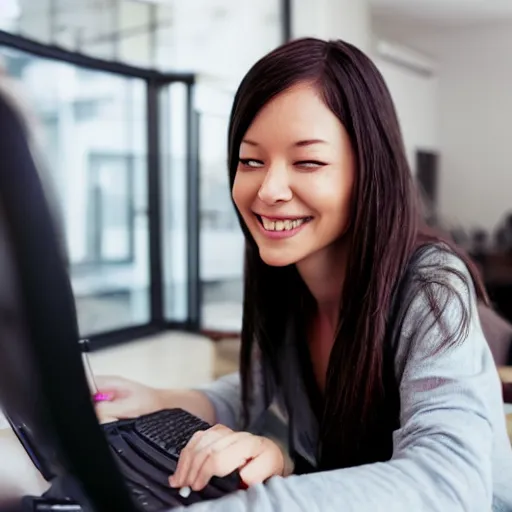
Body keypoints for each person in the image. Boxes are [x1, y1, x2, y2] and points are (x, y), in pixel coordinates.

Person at [96, 38, 512, 511]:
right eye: (251, 160)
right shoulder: (291, 278)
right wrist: (164, 398)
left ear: (368, 171)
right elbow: (257, 388)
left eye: (308, 161)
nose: (268, 189)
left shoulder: (432, 285)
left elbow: (448, 484)